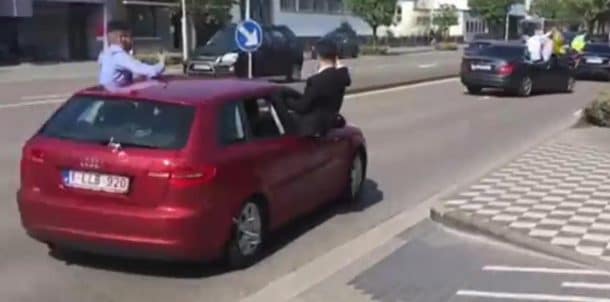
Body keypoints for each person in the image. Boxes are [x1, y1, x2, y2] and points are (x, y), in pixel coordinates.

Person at [280, 38, 351, 137]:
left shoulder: (316, 81)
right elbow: (344, 73)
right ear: (335, 57)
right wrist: (339, 64)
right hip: (330, 123)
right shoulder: (341, 77)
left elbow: (302, 106)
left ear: (318, 56)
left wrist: (285, 101)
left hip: (313, 129)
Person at [98, 21, 165, 90]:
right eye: (130, 37)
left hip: (106, 93)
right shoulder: (120, 56)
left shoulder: (105, 54)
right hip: (117, 96)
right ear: (122, 38)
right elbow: (147, 70)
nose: (132, 40)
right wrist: (162, 63)